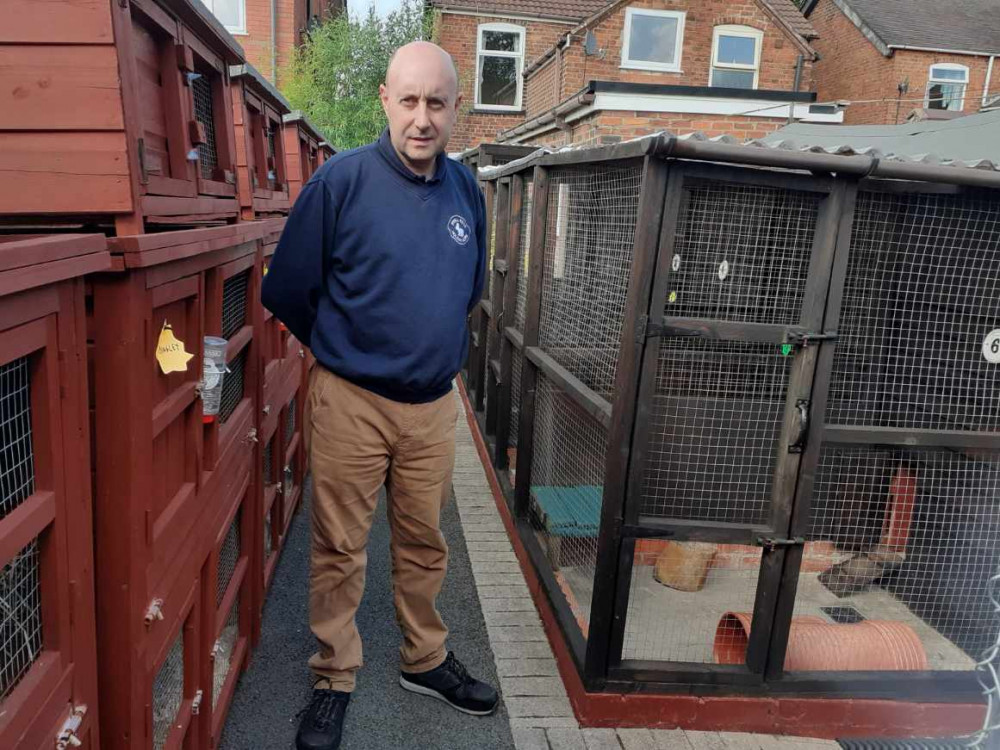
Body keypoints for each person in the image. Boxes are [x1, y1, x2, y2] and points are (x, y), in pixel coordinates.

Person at [261, 41, 498, 750]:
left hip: (432, 405)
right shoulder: (340, 182)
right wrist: (348, 352)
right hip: (351, 400)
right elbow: (289, 290)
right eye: (409, 100)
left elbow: (469, 291)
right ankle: (334, 674)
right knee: (340, 544)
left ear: (456, 109)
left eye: (437, 103)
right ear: (385, 101)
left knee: (426, 540)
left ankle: (423, 659)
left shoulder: (466, 192)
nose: (422, 118)